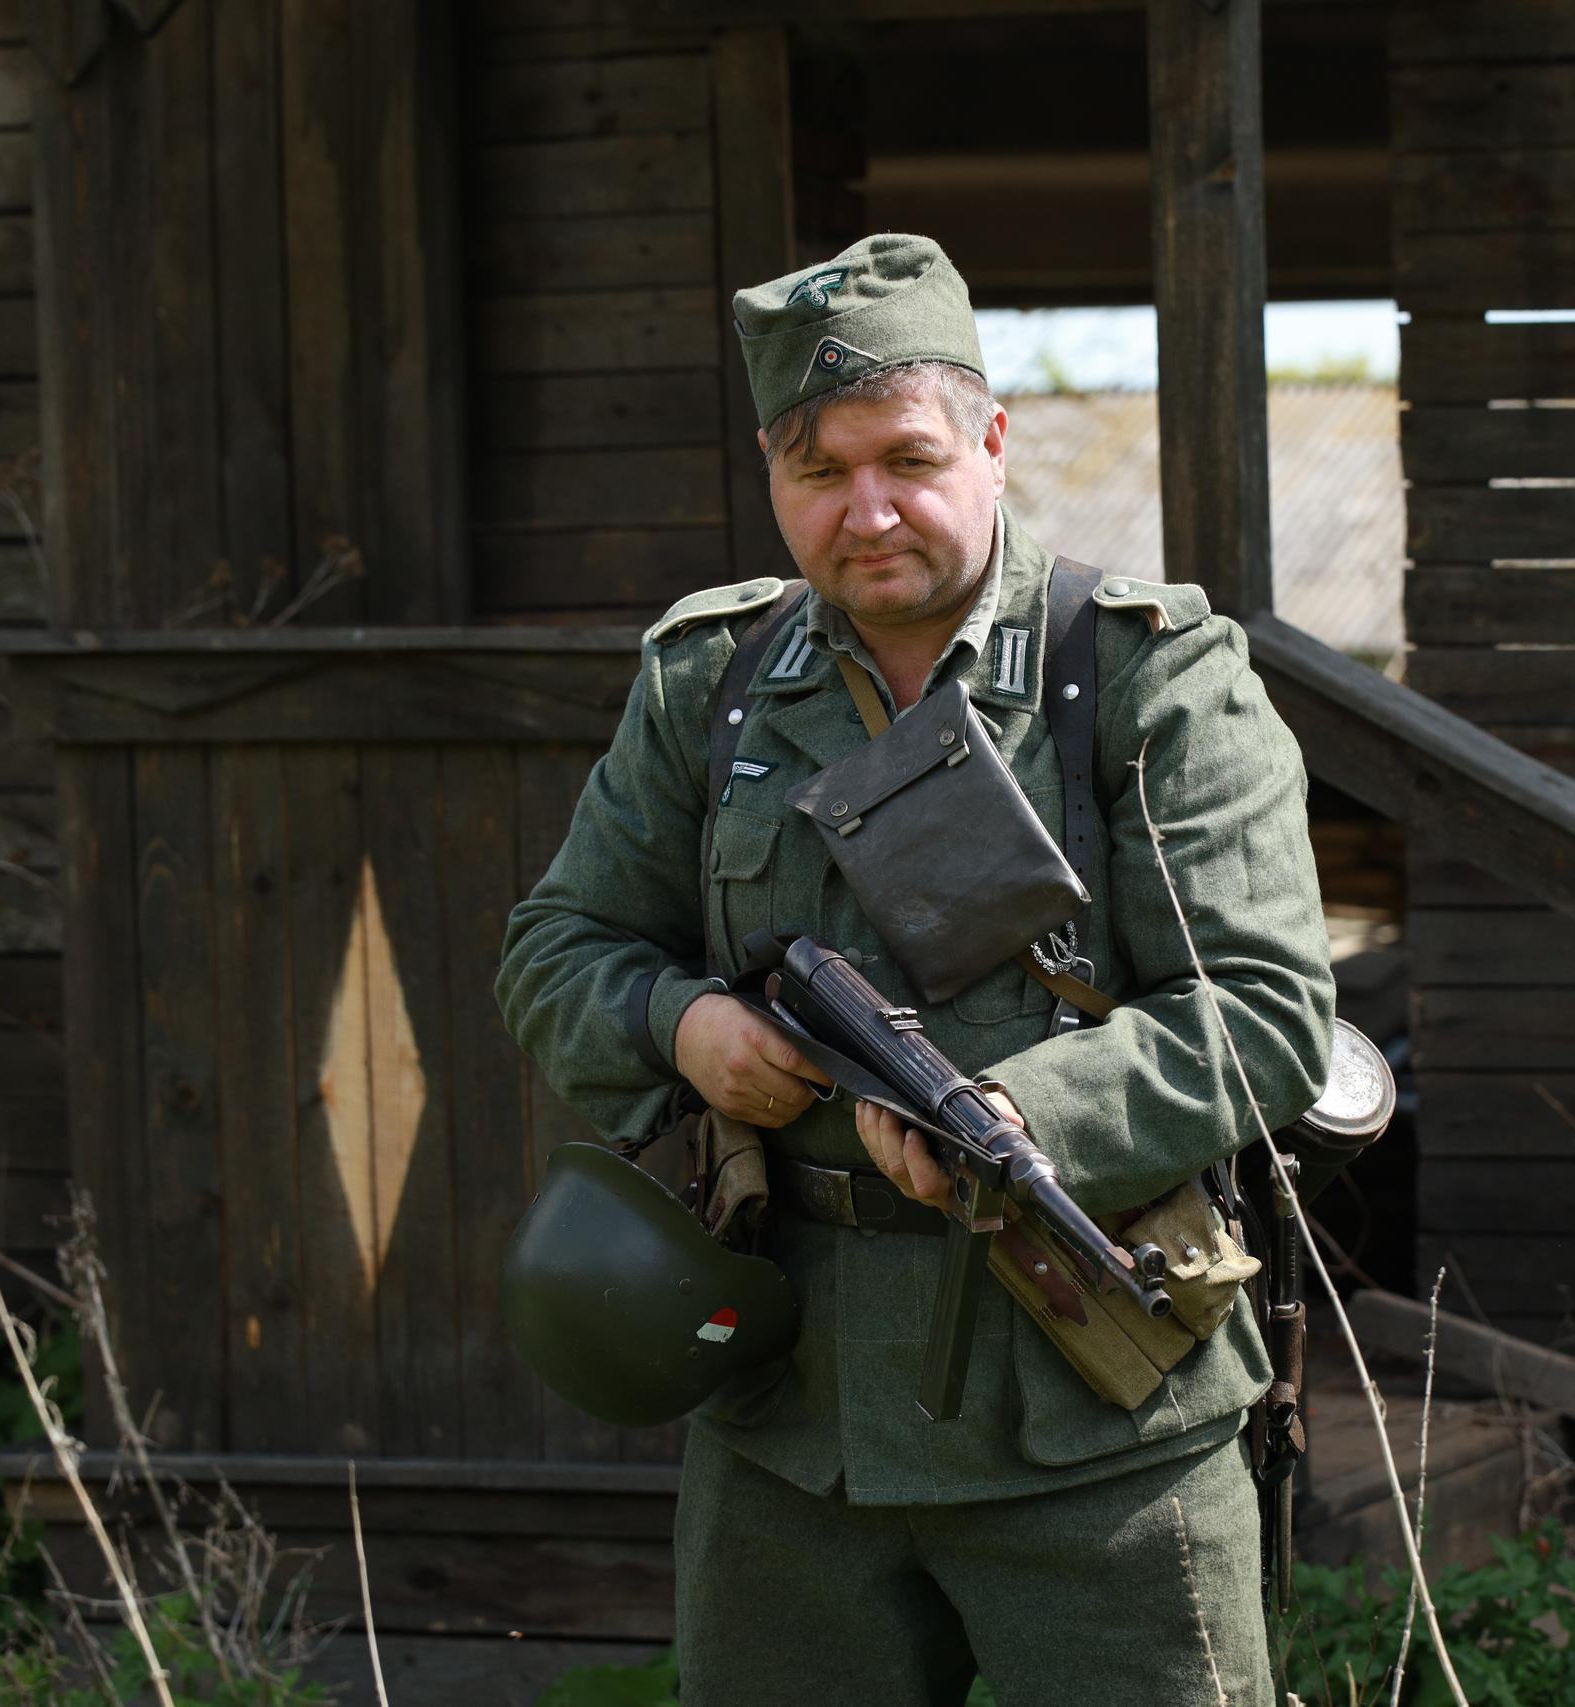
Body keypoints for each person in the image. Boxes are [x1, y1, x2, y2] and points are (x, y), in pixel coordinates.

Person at [495, 232, 1334, 1706]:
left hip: (1091, 1409)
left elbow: (1266, 1017)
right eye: (820, 472)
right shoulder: (715, 684)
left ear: (994, 444)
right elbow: (556, 946)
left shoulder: (1146, 678)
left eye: (908, 456)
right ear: (772, 474)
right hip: (789, 1422)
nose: (867, 509)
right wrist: (678, 1024)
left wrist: (1019, 1118)